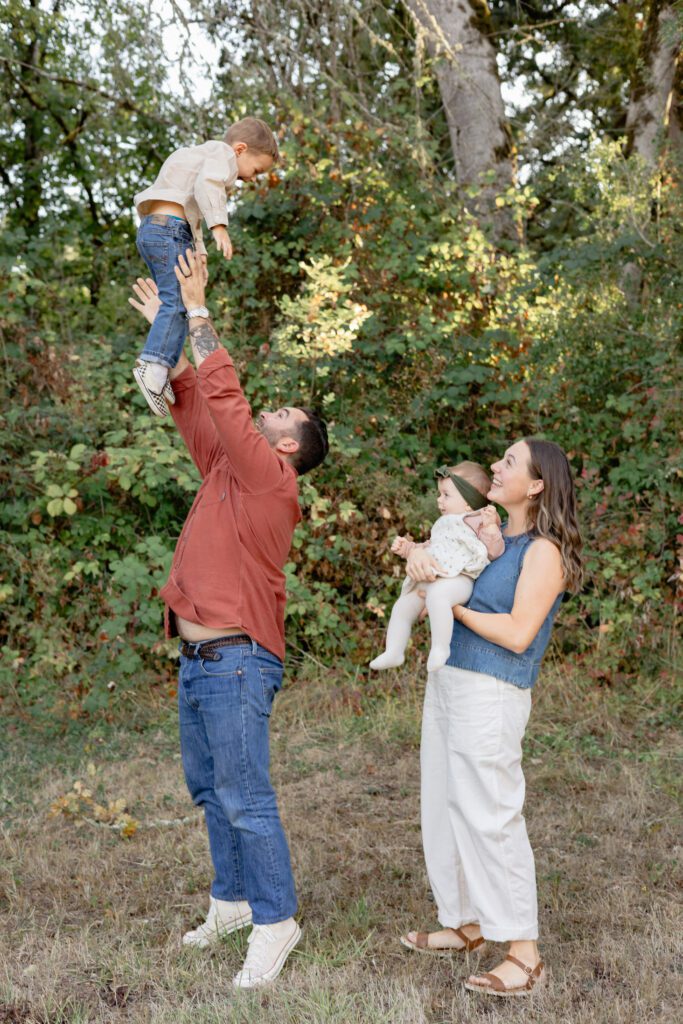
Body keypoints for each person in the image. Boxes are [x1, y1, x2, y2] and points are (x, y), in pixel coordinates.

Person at [128, 251, 329, 990]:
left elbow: (230, 404)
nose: (266, 411)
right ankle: (233, 903)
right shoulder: (228, 471)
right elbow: (200, 412)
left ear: (285, 446)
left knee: (246, 796)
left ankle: (276, 921)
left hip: (239, 660)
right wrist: (166, 330)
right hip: (200, 661)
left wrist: (200, 310)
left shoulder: (272, 480)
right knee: (212, 793)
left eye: (279, 416)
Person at [400, 439, 583, 998]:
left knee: (491, 814)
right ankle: (467, 922)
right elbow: (437, 567)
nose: (495, 469)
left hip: (493, 691)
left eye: (509, 463)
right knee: (445, 803)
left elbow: (517, 632)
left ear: (536, 486)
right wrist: (418, 561)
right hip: (450, 681)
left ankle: (524, 954)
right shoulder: (494, 539)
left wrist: (449, 608)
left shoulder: (544, 551)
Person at [132, 117, 278, 416]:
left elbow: (191, 214)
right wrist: (220, 226)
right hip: (169, 231)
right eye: (256, 170)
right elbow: (208, 186)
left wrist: (200, 255)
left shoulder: (198, 158)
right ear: (240, 149)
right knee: (178, 303)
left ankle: (165, 365)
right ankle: (153, 366)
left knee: (178, 303)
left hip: (156, 230)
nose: (251, 179)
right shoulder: (221, 156)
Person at [369, 462, 504, 673]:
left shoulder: (476, 520)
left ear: (469, 502)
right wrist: (407, 549)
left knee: (438, 598)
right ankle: (394, 650)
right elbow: (429, 547)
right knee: (402, 606)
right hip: (433, 577)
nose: (439, 500)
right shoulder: (443, 523)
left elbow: (494, 550)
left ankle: (440, 648)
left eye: (446, 495)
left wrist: (490, 527)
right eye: (439, 494)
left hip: (459, 579)